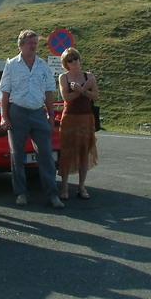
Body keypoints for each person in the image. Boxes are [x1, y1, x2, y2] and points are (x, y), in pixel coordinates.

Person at [0, 30, 63, 208]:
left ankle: (52, 195)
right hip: (17, 112)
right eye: (30, 43)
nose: (33, 46)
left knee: (46, 154)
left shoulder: (43, 65)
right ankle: (21, 193)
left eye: (35, 43)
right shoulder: (11, 65)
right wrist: (4, 116)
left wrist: (51, 114)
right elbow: (5, 92)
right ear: (21, 45)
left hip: (38, 112)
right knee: (17, 154)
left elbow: (48, 91)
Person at [57, 47, 99, 200]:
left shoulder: (89, 76)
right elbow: (66, 98)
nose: (74, 62)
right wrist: (83, 89)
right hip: (70, 117)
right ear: (65, 63)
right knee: (67, 152)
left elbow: (96, 96)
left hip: (86, 117)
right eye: (70, 60)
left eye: (76, 58)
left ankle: (81, 187)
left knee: (84, 152)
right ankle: (64, 187)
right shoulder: (64, 77)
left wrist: (83, 89)